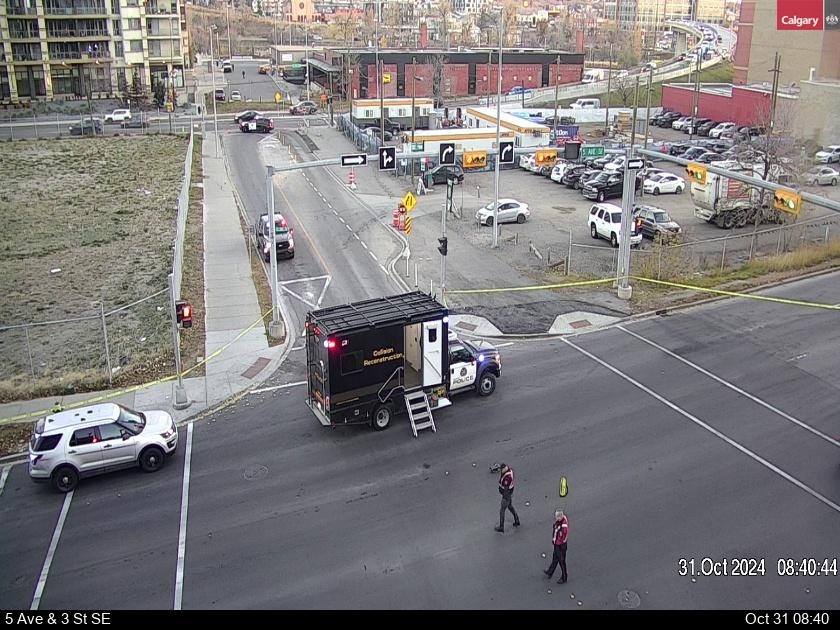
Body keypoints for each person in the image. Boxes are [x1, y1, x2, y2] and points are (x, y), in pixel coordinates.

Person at [544, 509, 569, 584]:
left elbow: (565, 536)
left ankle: (564, 577)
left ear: (560, 517)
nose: (555, 518)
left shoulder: (563, 527)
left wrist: (561, 543)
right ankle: (550, 571)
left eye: (556, 516)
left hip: (560, 545)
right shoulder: (561, 521)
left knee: (561, 561)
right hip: (557, 544)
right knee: (555, 557)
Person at [494, 463, 520, 532]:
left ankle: (501, 527)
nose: (500, 472)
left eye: (501, 470)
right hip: (509, 494)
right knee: (510, 507)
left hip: (506, 495)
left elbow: (506, 489)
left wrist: (504, 498)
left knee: (502, 510)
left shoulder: (507, 478)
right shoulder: (509, 471)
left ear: (504, 469)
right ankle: (517, 520)